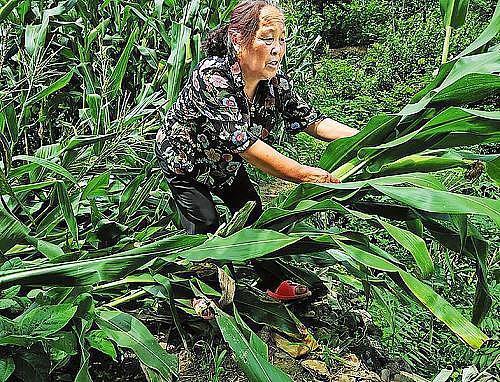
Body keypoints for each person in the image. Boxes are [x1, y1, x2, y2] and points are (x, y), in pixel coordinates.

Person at [155, 0, 358, 315]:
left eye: (282, 39)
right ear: (238, 39)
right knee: (206, 222)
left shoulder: (273, 83)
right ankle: (198, 292)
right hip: (187, 161)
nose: (277, 49)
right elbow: (246, 146)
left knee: (252, 214)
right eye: (267, 38)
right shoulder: (212, 77)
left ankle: (271, 283)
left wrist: (368, 138)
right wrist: (304, 174)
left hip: (225, 164)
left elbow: (314, 122)